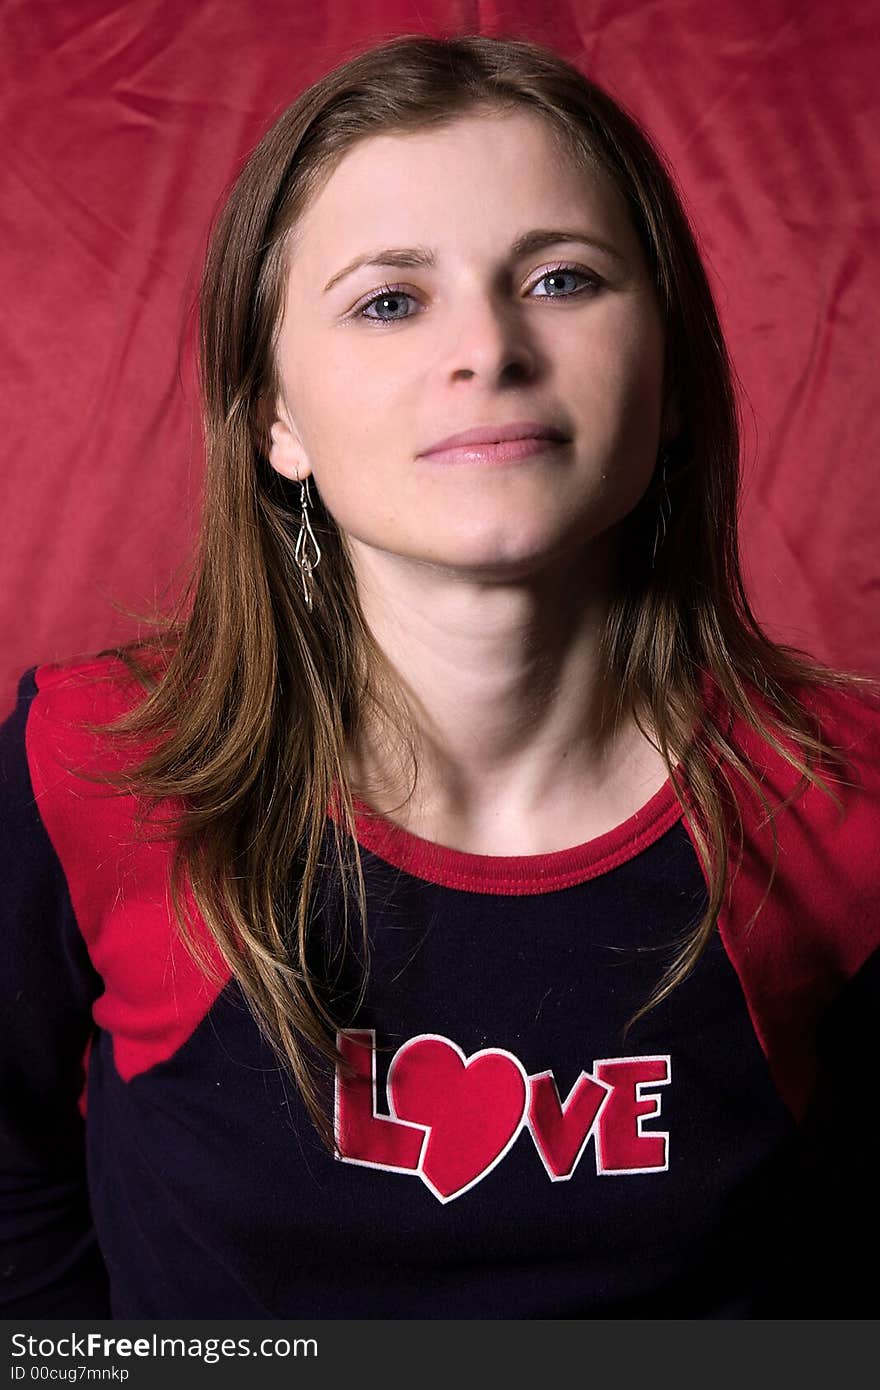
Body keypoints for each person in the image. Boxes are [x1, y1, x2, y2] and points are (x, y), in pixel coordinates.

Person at [2, 31, 878, 1320]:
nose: (487, 349)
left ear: (678, 377)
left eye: (564, 278)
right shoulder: (91, 766)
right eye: (389, 300)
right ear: (275, 421)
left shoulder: (844, 801)